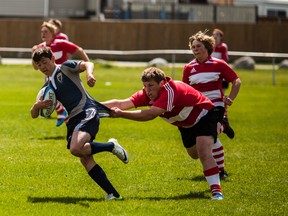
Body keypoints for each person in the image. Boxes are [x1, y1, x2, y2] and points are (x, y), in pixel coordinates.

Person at [103, 67, 224, 200]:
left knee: (203, 151)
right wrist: (93, 106)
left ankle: (216, 192)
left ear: (162, 83)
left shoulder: (170, 90)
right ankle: (214, 135)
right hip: (185, 123)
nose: (147, 90)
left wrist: (121, 115)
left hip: (205, 115)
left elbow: (150, 114)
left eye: (151, 85)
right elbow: (121, 103)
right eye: (144, 85)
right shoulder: (147, 93)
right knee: (194, 154)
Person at [30, 47, 129, 201]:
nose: (42, 67)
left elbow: (87, 64)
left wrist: (89, 74)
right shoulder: (47, 86)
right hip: (73, 119)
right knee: (85, 158)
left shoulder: (65, 68)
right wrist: (37, 106)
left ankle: (111, 146)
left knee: (76, 148)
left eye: (44, 62)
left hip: (87, 111)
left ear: (53, 59)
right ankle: (114, 195)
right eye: (39, 64)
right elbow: (34, 115)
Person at [182, 30, 241, 179]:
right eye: (193, 47)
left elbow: (236, 81)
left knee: (210, 136)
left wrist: (231, 98)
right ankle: (224, 126)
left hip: (216, 106)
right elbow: (184, 89)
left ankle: (220, 171)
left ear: (207, 47)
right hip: (198, 108)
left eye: (198, 46)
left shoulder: (218, 64)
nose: (195, 49)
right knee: (208, 140)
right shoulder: (188, 68)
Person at [32, 21, 90, 127]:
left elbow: (79, 50)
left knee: (71, 99)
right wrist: (33, 55)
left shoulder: (60, 43)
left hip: (66, 76)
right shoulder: (40, 48)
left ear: (53, 33)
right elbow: (36, 67)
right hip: (49, 78)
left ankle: (63, 112)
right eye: (42, 32)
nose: (43, 34)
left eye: (46, 31)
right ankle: (62, 112)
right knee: (50, 97)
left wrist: (87, 64)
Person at [211, 28, 233, 135]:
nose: (214, 37)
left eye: (216, 36)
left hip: (221, 76)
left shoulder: (222, 47)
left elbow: (224, 61)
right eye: (213, 35)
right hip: (211, 76)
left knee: (221, 97)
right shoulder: (210, 47)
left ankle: (224, 117)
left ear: (220, 37)